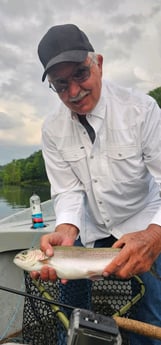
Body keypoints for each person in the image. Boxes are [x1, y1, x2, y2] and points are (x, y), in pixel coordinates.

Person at [32, 23, 161, 345]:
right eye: (61, 84)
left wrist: (154, 234)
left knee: (152, 309)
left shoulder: (142, 110)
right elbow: (67, 189)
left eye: (80, 74)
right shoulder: (51, 129)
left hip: (142, 221)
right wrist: (66, 229)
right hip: (86, 231)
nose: (73, 92)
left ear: (98, 63)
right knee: (70, 307)